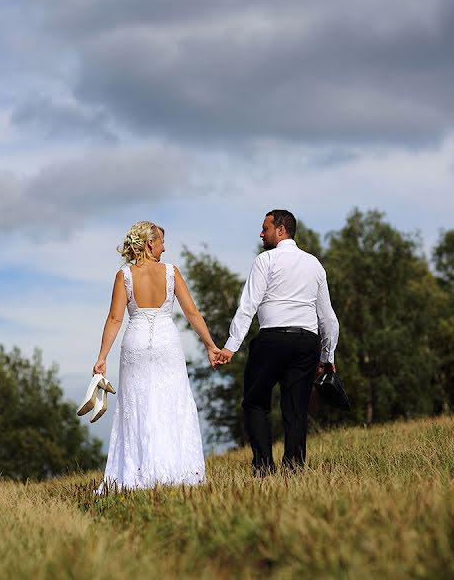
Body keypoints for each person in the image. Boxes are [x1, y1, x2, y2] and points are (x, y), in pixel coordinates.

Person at [92, 221, 219, 490]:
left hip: (135, 344)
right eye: (161, 241)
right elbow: (192, 313)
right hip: (166, 343)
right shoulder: (171, 272)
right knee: (172, 403)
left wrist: (102, 357)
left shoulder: (124, 275)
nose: (165, 246)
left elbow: (115, 318)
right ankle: (176, 473)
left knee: (138, 406)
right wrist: (209, 345)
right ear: (150, 243)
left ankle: (137, 475)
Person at [215, 210, 339, 475]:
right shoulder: (314, 264)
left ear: (280, 230)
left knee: (255, 402)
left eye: (265, 228)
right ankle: (293, 468)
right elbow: (328, 317)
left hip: (271, 340)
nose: (261, 234)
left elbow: (248, 305)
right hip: (307, 342)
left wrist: (230, 346)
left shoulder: (265, 260)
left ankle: (263, 467)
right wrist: (327, 357)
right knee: (296, 408)